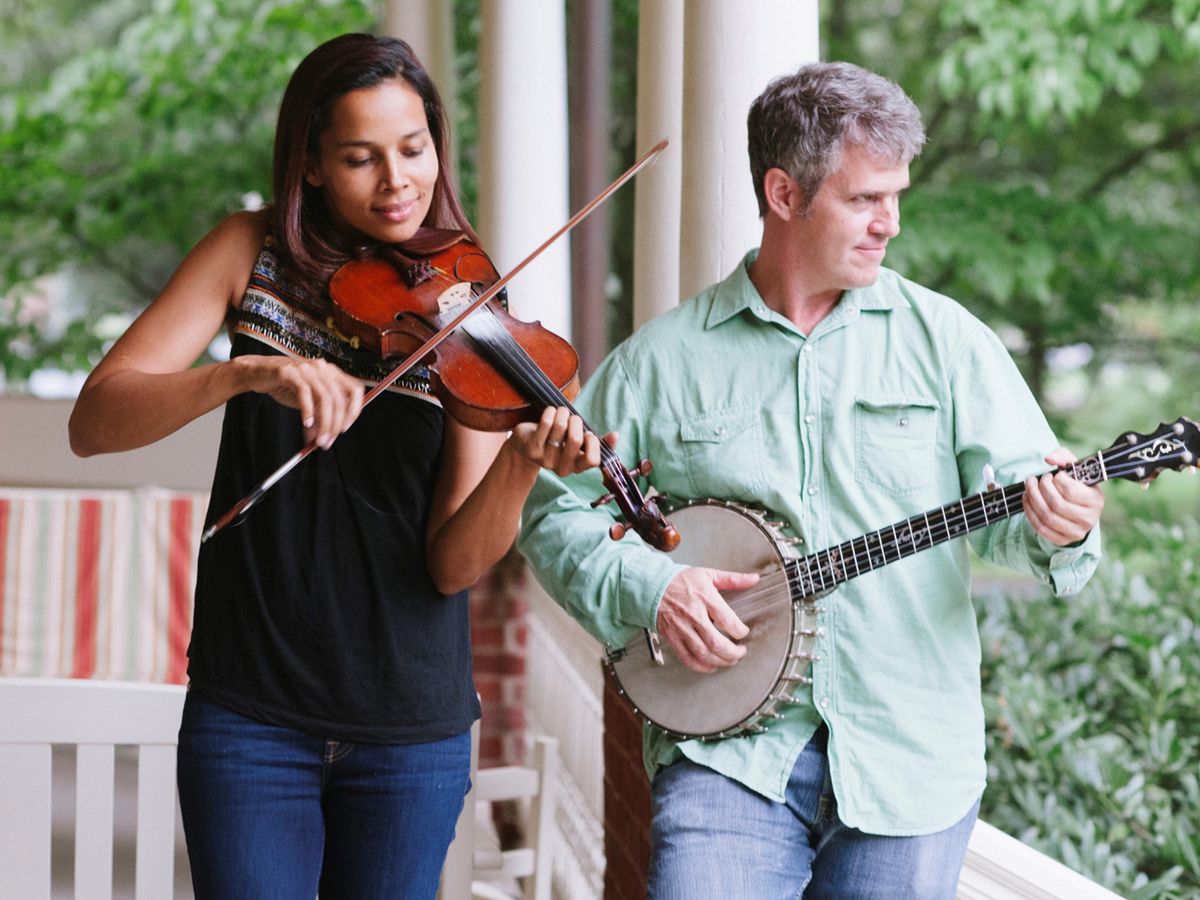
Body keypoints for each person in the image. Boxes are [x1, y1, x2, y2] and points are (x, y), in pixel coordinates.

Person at [518, 61, 1105, 898]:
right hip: (727, 757)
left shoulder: (948, 343)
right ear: (784, 194)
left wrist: (1064, 523)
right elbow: (551, 515)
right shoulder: (661, 362)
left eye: (896, 197)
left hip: (908, 761)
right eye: (864, 200)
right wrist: (653, 588)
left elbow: (1020, 514)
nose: (889, 225)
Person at [68, 32, 600, 900]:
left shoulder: (467, 300)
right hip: (251, 715)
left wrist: (521, 467)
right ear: (311, 163)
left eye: (413, 148)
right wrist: (247, 373)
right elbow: (95, 420)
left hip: (408, 729)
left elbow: (453, 563)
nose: (396, 181)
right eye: (360, 157)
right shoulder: (249, 255)